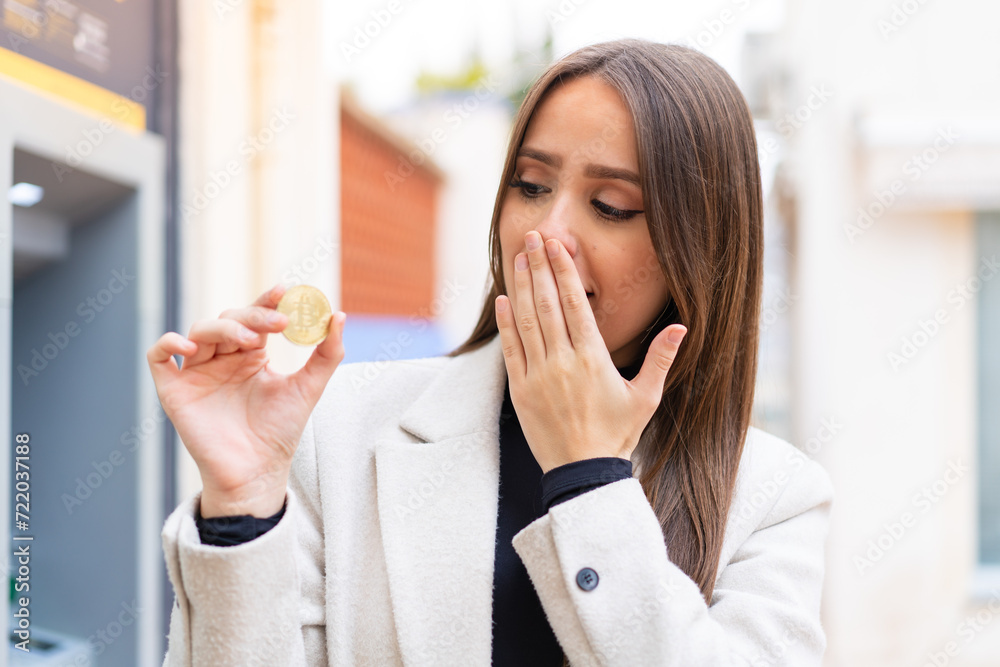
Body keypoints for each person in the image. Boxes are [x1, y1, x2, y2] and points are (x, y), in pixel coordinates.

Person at [148, 38, 834, 666]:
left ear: (701, 247)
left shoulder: (775, 496)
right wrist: (242, 508)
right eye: (531, 186)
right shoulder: (336, 426)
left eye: (612, 204)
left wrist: (589, 477)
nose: (546, 232)